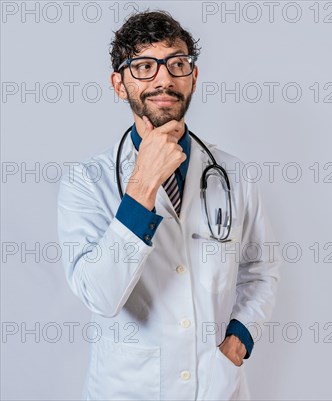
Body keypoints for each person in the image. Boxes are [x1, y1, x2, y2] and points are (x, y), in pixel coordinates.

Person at [57, 10, 280, 400]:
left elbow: (261, 270)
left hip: (216, 385)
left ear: (193, 77)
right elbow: (100, 296)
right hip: (128, 389)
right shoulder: (85, 182)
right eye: (144, 66)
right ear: (119, 84)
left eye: (177, 63)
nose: (164, 79)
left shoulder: (233, 173)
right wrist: (142, 186)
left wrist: (239, 340)